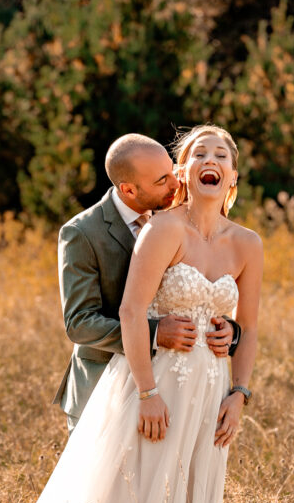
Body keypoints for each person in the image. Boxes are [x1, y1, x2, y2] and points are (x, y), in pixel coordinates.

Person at [7, 125, 286, 503]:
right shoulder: (134, 229)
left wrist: (238, 390)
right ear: (180, 173)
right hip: (136, 379)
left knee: (187, 498)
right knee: (119, 496)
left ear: (233, 175)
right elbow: (115, 314)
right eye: (198, 153)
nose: (210, 160)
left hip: (208, 387)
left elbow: (249, 325)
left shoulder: (246, 242)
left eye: (221, 154)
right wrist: (149, 389)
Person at [54, 133, 238, 430]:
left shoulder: (181, 218)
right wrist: (153, 334)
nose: (176, 185)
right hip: (101, 388)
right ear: (128, 189)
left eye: (172, 173)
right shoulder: (82, 233)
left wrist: (228, 329)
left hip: (170, 388)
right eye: (161, 181)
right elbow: (79, 323)